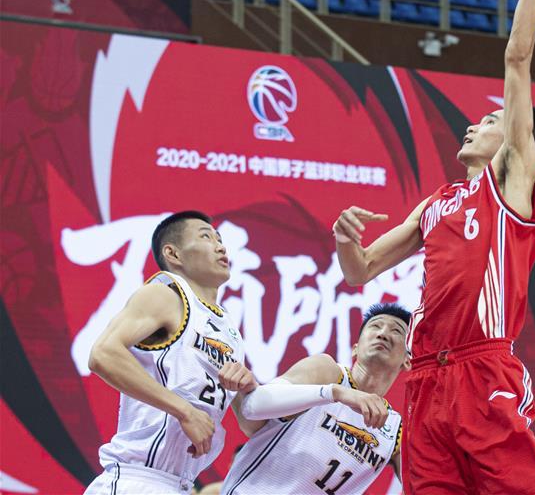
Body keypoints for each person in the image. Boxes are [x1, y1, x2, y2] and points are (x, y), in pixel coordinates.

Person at [332, 0, 535, 494]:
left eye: (489, 121)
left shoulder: (510, 183)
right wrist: (344, 240)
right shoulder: (436, 203)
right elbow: (360, 272)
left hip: (483, 367)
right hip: (426, 379)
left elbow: (517, 59)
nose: (473, 125)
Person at [85, 211, 257, 494]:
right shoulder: (165, 294)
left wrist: (252, 387)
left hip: (180, 484)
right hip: (136, 479)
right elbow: (102, 354)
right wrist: (184, 411)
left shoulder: (229, 331)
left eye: (220, 239)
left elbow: (250, 424)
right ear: (173, 254)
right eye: (206, 236)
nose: (220, 246)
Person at [219, 302, 410, 495]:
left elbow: (424, 485)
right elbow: (255, 406)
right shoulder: (327, 372)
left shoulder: (396, 430)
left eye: (397, 331)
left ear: (408, 360)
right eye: (376, 326)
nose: (383, 333)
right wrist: (336, 392)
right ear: (355, 348)